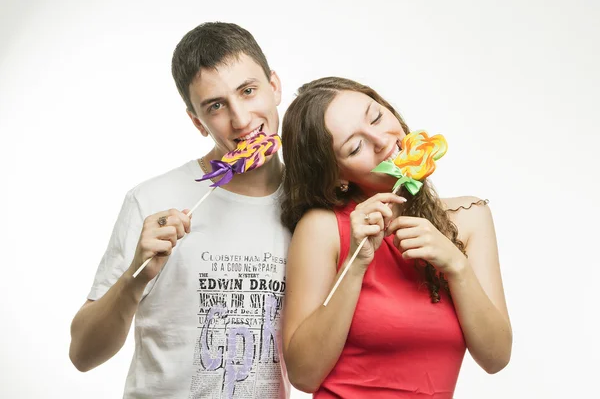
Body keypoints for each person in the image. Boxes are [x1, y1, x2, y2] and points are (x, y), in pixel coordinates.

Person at [69, 22, 290, 399]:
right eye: (216, 106)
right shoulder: (151, 201)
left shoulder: (310, 205)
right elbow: (83, 355)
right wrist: (135, 278)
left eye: (248, 91)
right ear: (196, 121)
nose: (240, 119)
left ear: (275, 86)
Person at [279, 77, 512, 398]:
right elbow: (303, 375)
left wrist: (456, 265)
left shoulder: (469, 218)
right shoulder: (323, 227)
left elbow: (496, 357)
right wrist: (355, 263)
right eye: (355, 147)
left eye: (376, 117)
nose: (381, 140)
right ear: (338, 178)